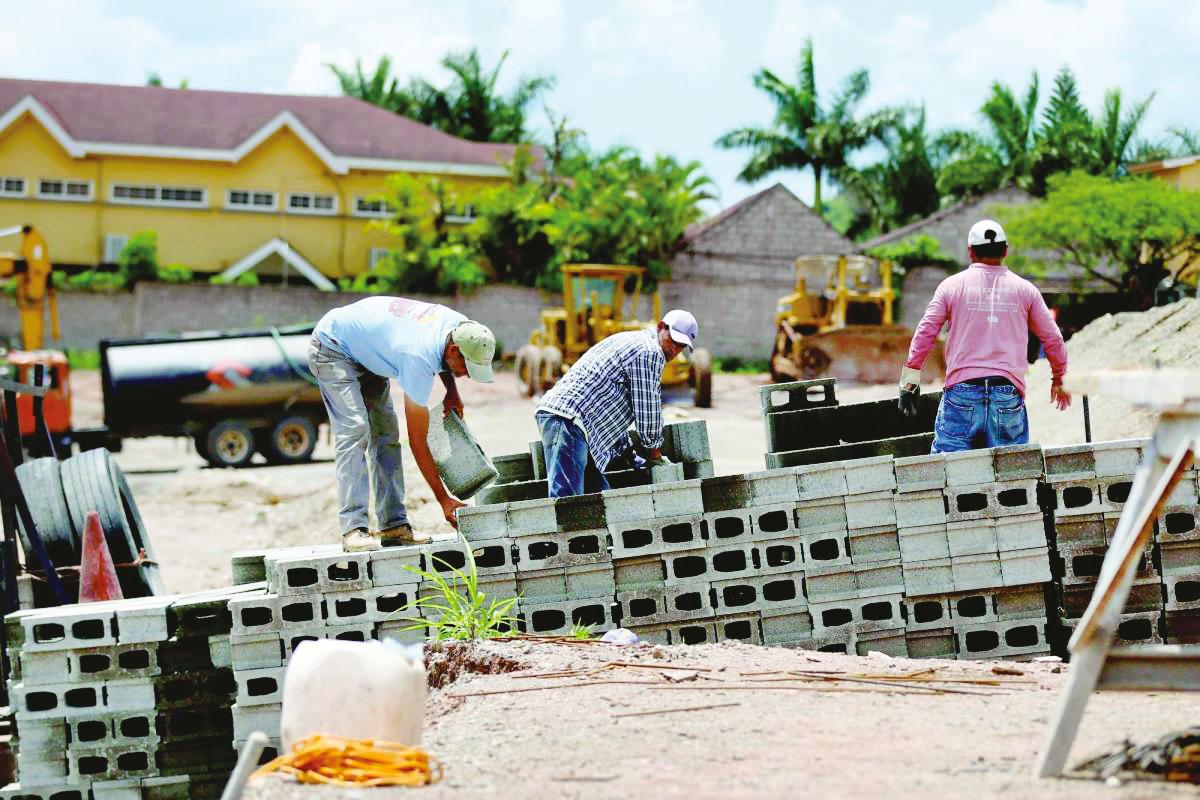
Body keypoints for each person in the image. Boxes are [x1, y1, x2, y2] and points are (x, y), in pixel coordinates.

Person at [308, 297, 496, 552]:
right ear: (455, 350)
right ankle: (354, 529)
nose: (467, 374)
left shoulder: (460, 327)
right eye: (466, 367)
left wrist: (452, 392)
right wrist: (444, 500)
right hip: (333, 346)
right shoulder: (417, 355)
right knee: (355, 430)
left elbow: (444, 357)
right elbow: (418, 441)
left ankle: (393, 526)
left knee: (386, 434)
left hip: (369, 350)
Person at [899, 219, 1070, 452]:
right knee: (1011, 477)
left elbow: (926, 331)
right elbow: (1053, 338)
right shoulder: (1026, 290)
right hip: (1007, 395)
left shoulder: (951, 286)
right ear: (1006, 251)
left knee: (950, 472)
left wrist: (909, 379)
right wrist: (1059, 378)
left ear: (970, 252)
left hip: (961, 395)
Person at [536, 310, 699, 498]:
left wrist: (630, 456)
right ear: (661, 327)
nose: (675, 350)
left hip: (572, 421)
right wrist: (655, 456)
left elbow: (612, 409)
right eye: (673, 340)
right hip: (568, 420)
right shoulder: (649, 351)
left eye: (681, 347)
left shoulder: (635, 342)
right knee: (569, 503)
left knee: (602, 500)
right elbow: (648, 410)